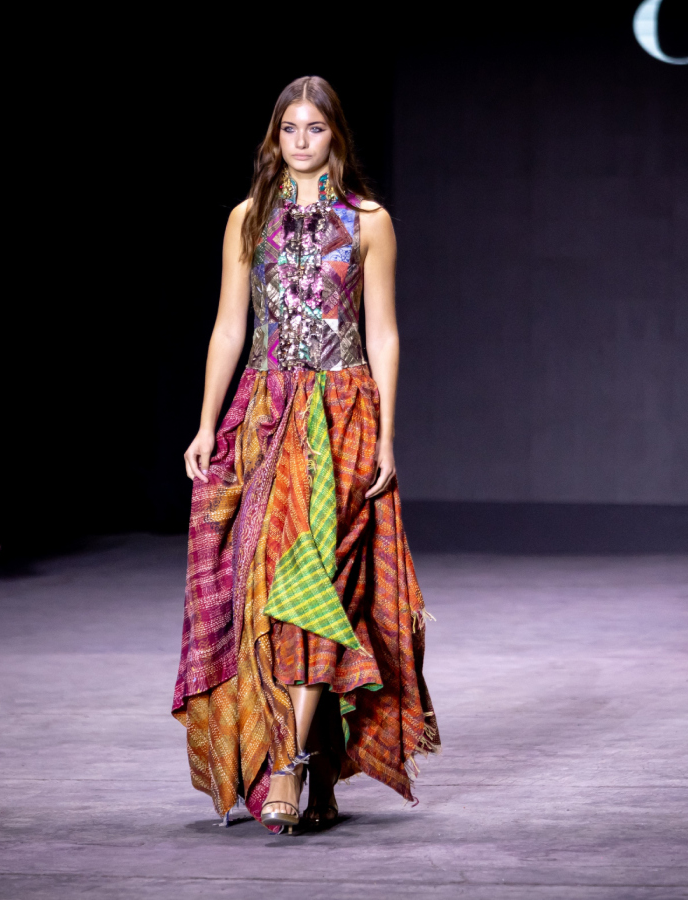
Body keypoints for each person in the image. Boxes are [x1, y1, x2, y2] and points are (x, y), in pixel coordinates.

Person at [173, 76, 439, 834]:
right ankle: (306, 771)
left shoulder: (368, 222)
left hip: (341, 415)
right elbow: (230, 327)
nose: (300, 140)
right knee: (261, 585)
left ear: (336, 137)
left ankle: (291, 764)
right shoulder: (248, 218)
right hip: (264, 414)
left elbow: (382, 331)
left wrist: (387, 434)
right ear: (274, 137)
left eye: (314, 128)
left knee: (315, 581)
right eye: (288, 128)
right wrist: (205, 423)